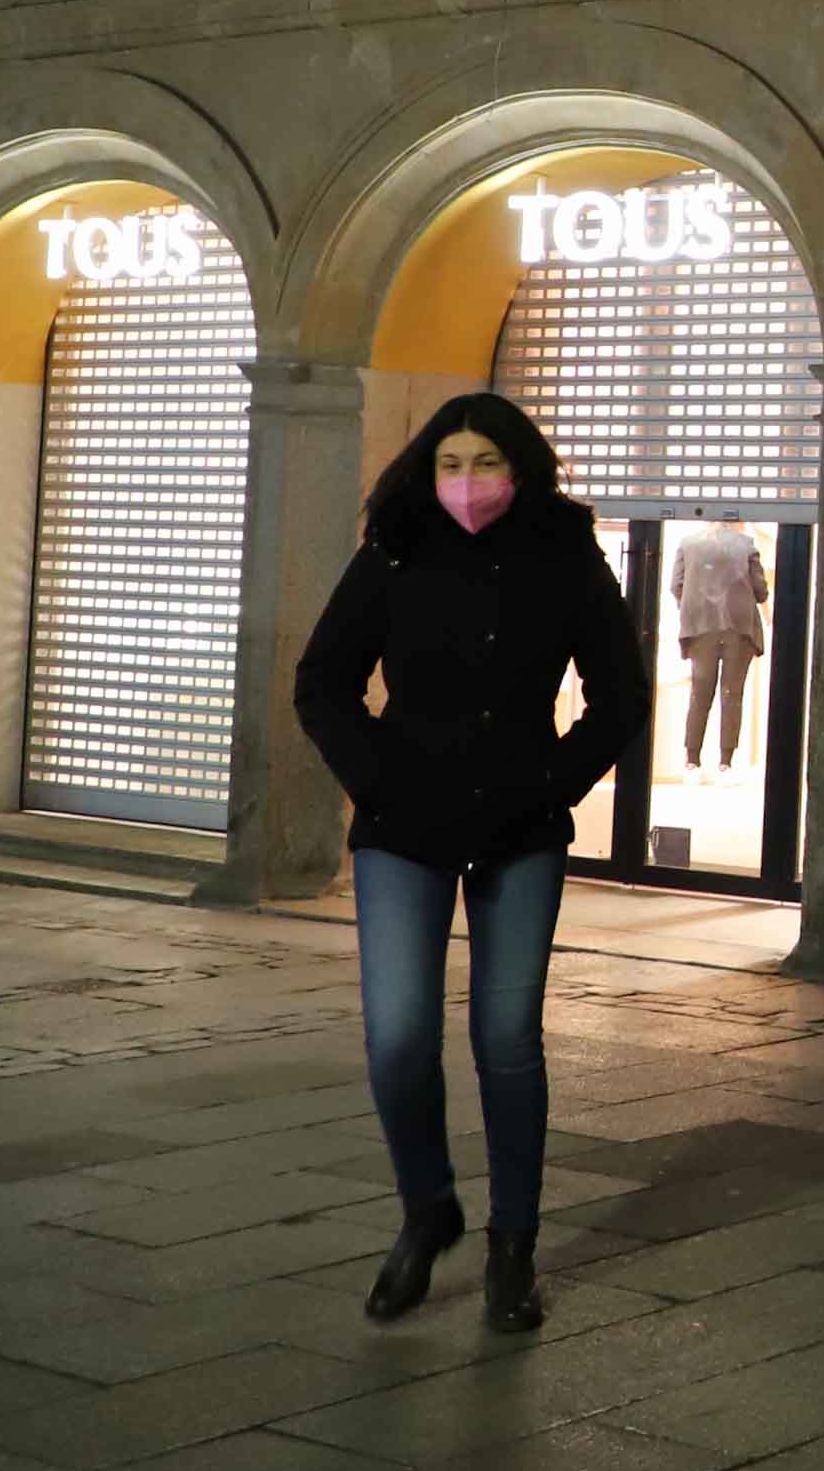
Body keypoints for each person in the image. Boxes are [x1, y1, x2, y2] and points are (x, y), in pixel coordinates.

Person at [294, 394, 643, 1335]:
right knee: (399, 1034)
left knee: (506, 1037)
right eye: (451, 462)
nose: (467, 481)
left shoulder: (565, 555)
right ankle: (426, 1208)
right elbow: (322, 679)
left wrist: (554, 782)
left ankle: (512, 1248)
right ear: (426, 467)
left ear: (520, 466)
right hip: (404, 824)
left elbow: (621, 694)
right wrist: (376, 774)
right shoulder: (396, 547)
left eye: (485, 461)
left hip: (519, 826)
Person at [670, 522, 769, 770]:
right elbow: (761, 591)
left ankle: (692, 757)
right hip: (739, 627)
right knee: (732, 693)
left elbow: (676, 586)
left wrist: (693, 607)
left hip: (700, 625)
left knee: (699, 692)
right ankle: (726, 760)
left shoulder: (687, 543)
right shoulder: (746, 544)